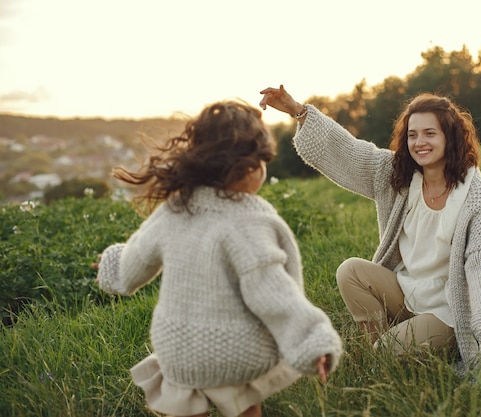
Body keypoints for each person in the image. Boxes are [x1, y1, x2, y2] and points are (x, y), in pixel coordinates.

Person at [93, 99, 343, 417]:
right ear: (250, 167)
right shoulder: (249, 219)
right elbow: (273, 292)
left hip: (178, 349)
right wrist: (312, 340)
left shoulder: (175, 208)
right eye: (261, 162)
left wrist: (110, 265)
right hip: (236, 353)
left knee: (183, 400)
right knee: (244, 404)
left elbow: (133, 265)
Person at [258, 85, 481, 379]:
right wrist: (298, 111)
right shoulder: (396, 173)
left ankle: (395, 351)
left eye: (430, 133)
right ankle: (383, 346)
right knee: (351, 271)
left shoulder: (476, 193)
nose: (419, 142)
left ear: (450, 138)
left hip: (448, 309)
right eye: (412, 135)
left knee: (387, 354)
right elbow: (349, 152)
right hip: (407, 290)